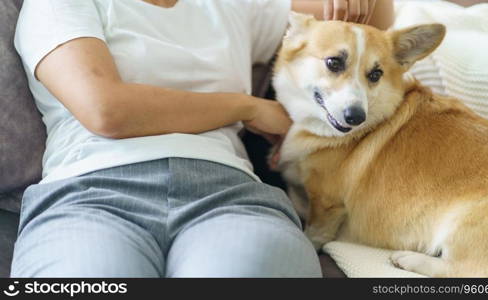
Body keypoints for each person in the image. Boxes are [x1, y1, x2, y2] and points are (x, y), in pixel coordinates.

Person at [11, 0, 393, 277]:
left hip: (228, 197)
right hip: (91, 195)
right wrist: (247, 107)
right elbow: (106, 110)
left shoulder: (231, 6)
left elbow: (370, 22)